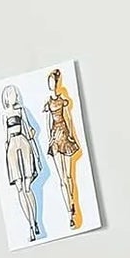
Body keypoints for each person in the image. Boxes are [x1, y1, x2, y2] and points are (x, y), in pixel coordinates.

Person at [1, 85, 42, 242]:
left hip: (23, 144)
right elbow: (5, 138)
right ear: (6, 97)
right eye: (11, 94)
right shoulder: (4, 115)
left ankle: (34, 222)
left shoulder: (21, 111)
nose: (14, 97)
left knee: (27, 187)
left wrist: (37, 155)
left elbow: (30, 131)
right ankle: (31, 225)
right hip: (12, 147)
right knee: (19, 188)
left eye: (15, 94)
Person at [43, 67, 82, 228]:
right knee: (61, 179)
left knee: (68, 177)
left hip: (65, 135)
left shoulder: (63, 100)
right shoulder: (47, 103)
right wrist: (50, 139)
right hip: (55, 139)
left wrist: (72, 135)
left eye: (54, 82)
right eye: (50, 82)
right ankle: (69, 214)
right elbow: (47, 124)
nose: (52, 84)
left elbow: (69, 119)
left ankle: (73, 203)